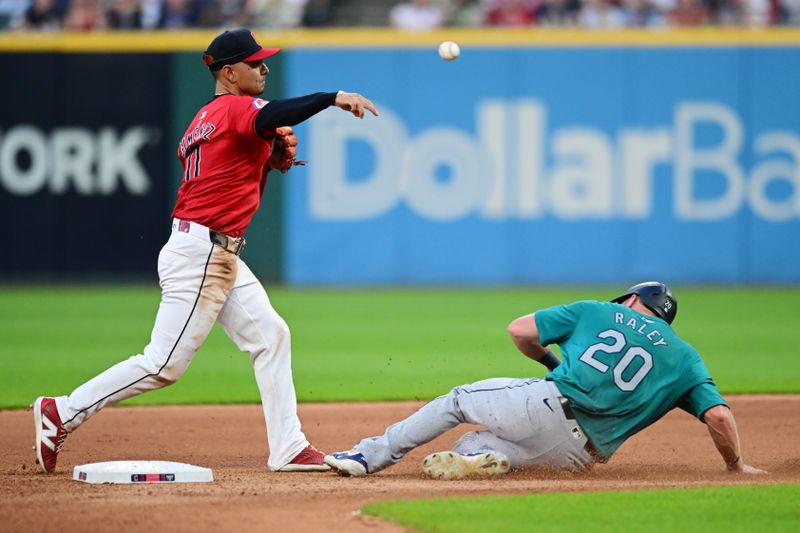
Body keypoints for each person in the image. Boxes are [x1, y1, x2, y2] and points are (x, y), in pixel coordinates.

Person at [33, 28, 379, 474]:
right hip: (202, 255)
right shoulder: (237, 108)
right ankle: (61, 411)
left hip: (215, 249)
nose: (264, 67)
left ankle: (289, 447)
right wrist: (333, 96)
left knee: (272, 336)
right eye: (255, 63)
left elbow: (235, 183)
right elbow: (275, 113)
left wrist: (269, 162)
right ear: (230, 73)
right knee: (163, 364)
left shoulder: (206, 117)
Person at [325, 282, 767, 479]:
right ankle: (484, 459)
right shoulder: (686, 359)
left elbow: (520, 330)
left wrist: (553, 364)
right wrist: (735, 466)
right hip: (579, 456)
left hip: (550, 403)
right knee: (470, 448)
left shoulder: (601, 309)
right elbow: (719, 417)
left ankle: (368, 456)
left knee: (458, 401)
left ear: (632, 300)